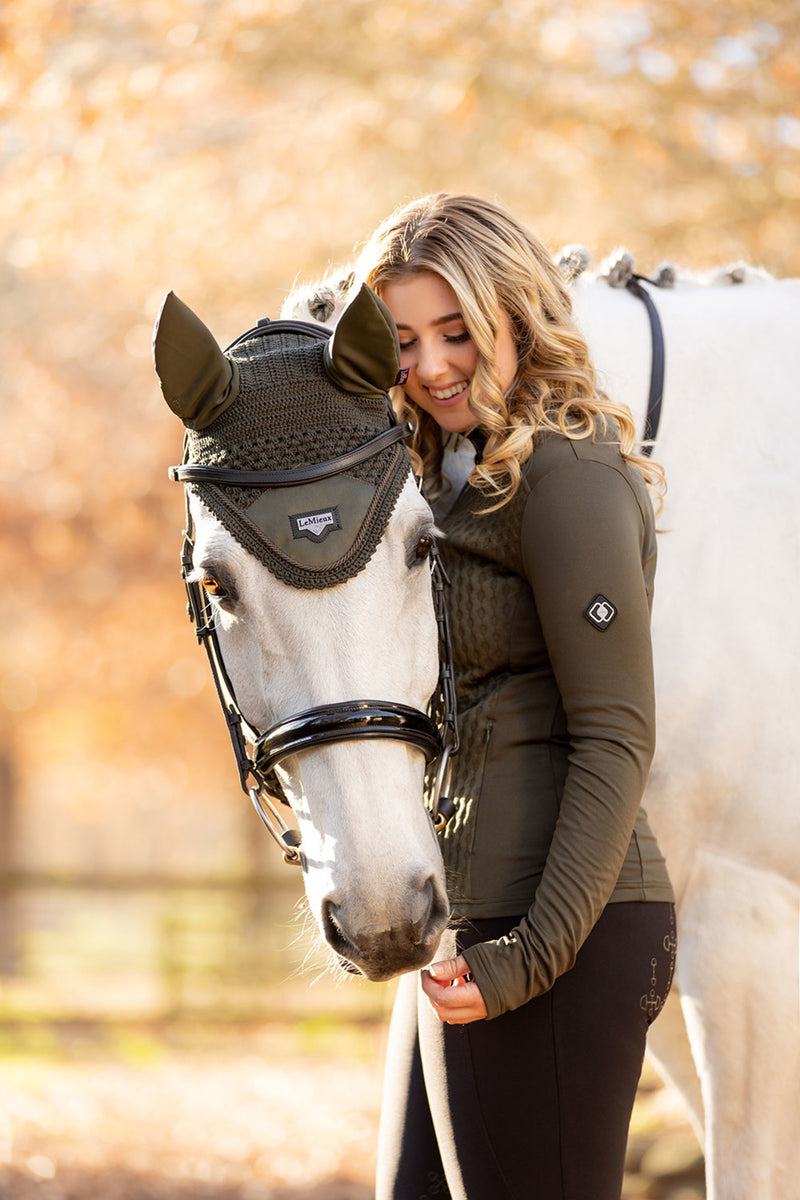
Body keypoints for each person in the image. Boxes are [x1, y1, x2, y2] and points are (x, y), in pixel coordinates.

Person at [352, 193, 676, 1200]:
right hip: (466, 923)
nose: (430, 364)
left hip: (554, 937)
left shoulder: (567, 477)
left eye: (456, 331)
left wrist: (524, 959)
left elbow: (616, 737)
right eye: (404, 340)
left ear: (518, 315)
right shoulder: (447, 476)